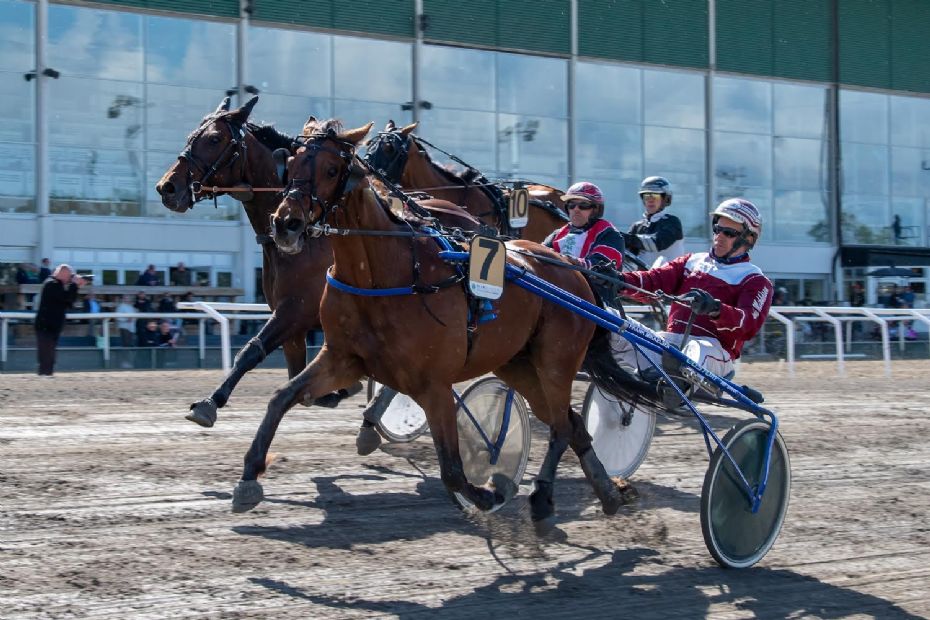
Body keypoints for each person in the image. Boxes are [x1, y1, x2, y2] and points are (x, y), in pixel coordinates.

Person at [607, 198, 773, 394]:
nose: (719, 236)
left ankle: (673, 389)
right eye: (717, 229)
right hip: (671, 344)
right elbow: (652, 281)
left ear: (749, 239)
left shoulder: (755, 280)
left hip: (713, 353)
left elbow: (748, 326)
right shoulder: (690, 262)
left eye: (729, 233)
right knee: (614, 325)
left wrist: (715, 309)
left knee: (697, 348)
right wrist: (616, 280)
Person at [542, 181, 626, 300]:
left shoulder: (609, 234)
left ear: (595, 210)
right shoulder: (557, 234)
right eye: (572, 205)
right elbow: (539, 257)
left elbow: (601, 267)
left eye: (583, 205)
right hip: (559, 295)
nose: (576, 209)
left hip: (597, 302)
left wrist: (565, 260)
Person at [33, 264, 86, 376]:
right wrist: (75, 285)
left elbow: (69, 302)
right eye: (69, 275)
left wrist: (76, 286)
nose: (70, 278)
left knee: (50, 355)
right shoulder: (51, 284)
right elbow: (66, 297)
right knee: (46, 355)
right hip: (45, 326)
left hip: (52, 326)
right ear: (62, 274)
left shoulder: (58, 285)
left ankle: (47, 375)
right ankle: (44, 375)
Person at [622, 176, 685, 268]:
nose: (650, 200)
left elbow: (656, 243)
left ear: (665, 199)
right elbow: (627, 255)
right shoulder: (637, 226)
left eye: (655, 196)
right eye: (647, 196)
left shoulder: (672, 222)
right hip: (643, 279)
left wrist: (623, 237)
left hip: (670, 279)